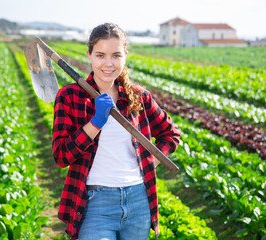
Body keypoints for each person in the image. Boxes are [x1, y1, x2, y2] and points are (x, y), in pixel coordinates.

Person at [52, 22, 181, 240]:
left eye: (116, 55)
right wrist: (95, 123)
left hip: (139, 199)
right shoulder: (70, 96)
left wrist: (150, 162)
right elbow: (62, 156)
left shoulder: (139, 97)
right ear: (89, 55)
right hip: (95, 202)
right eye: (100, 55)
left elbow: (171, 133)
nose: (108, 63)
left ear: (125, 56)